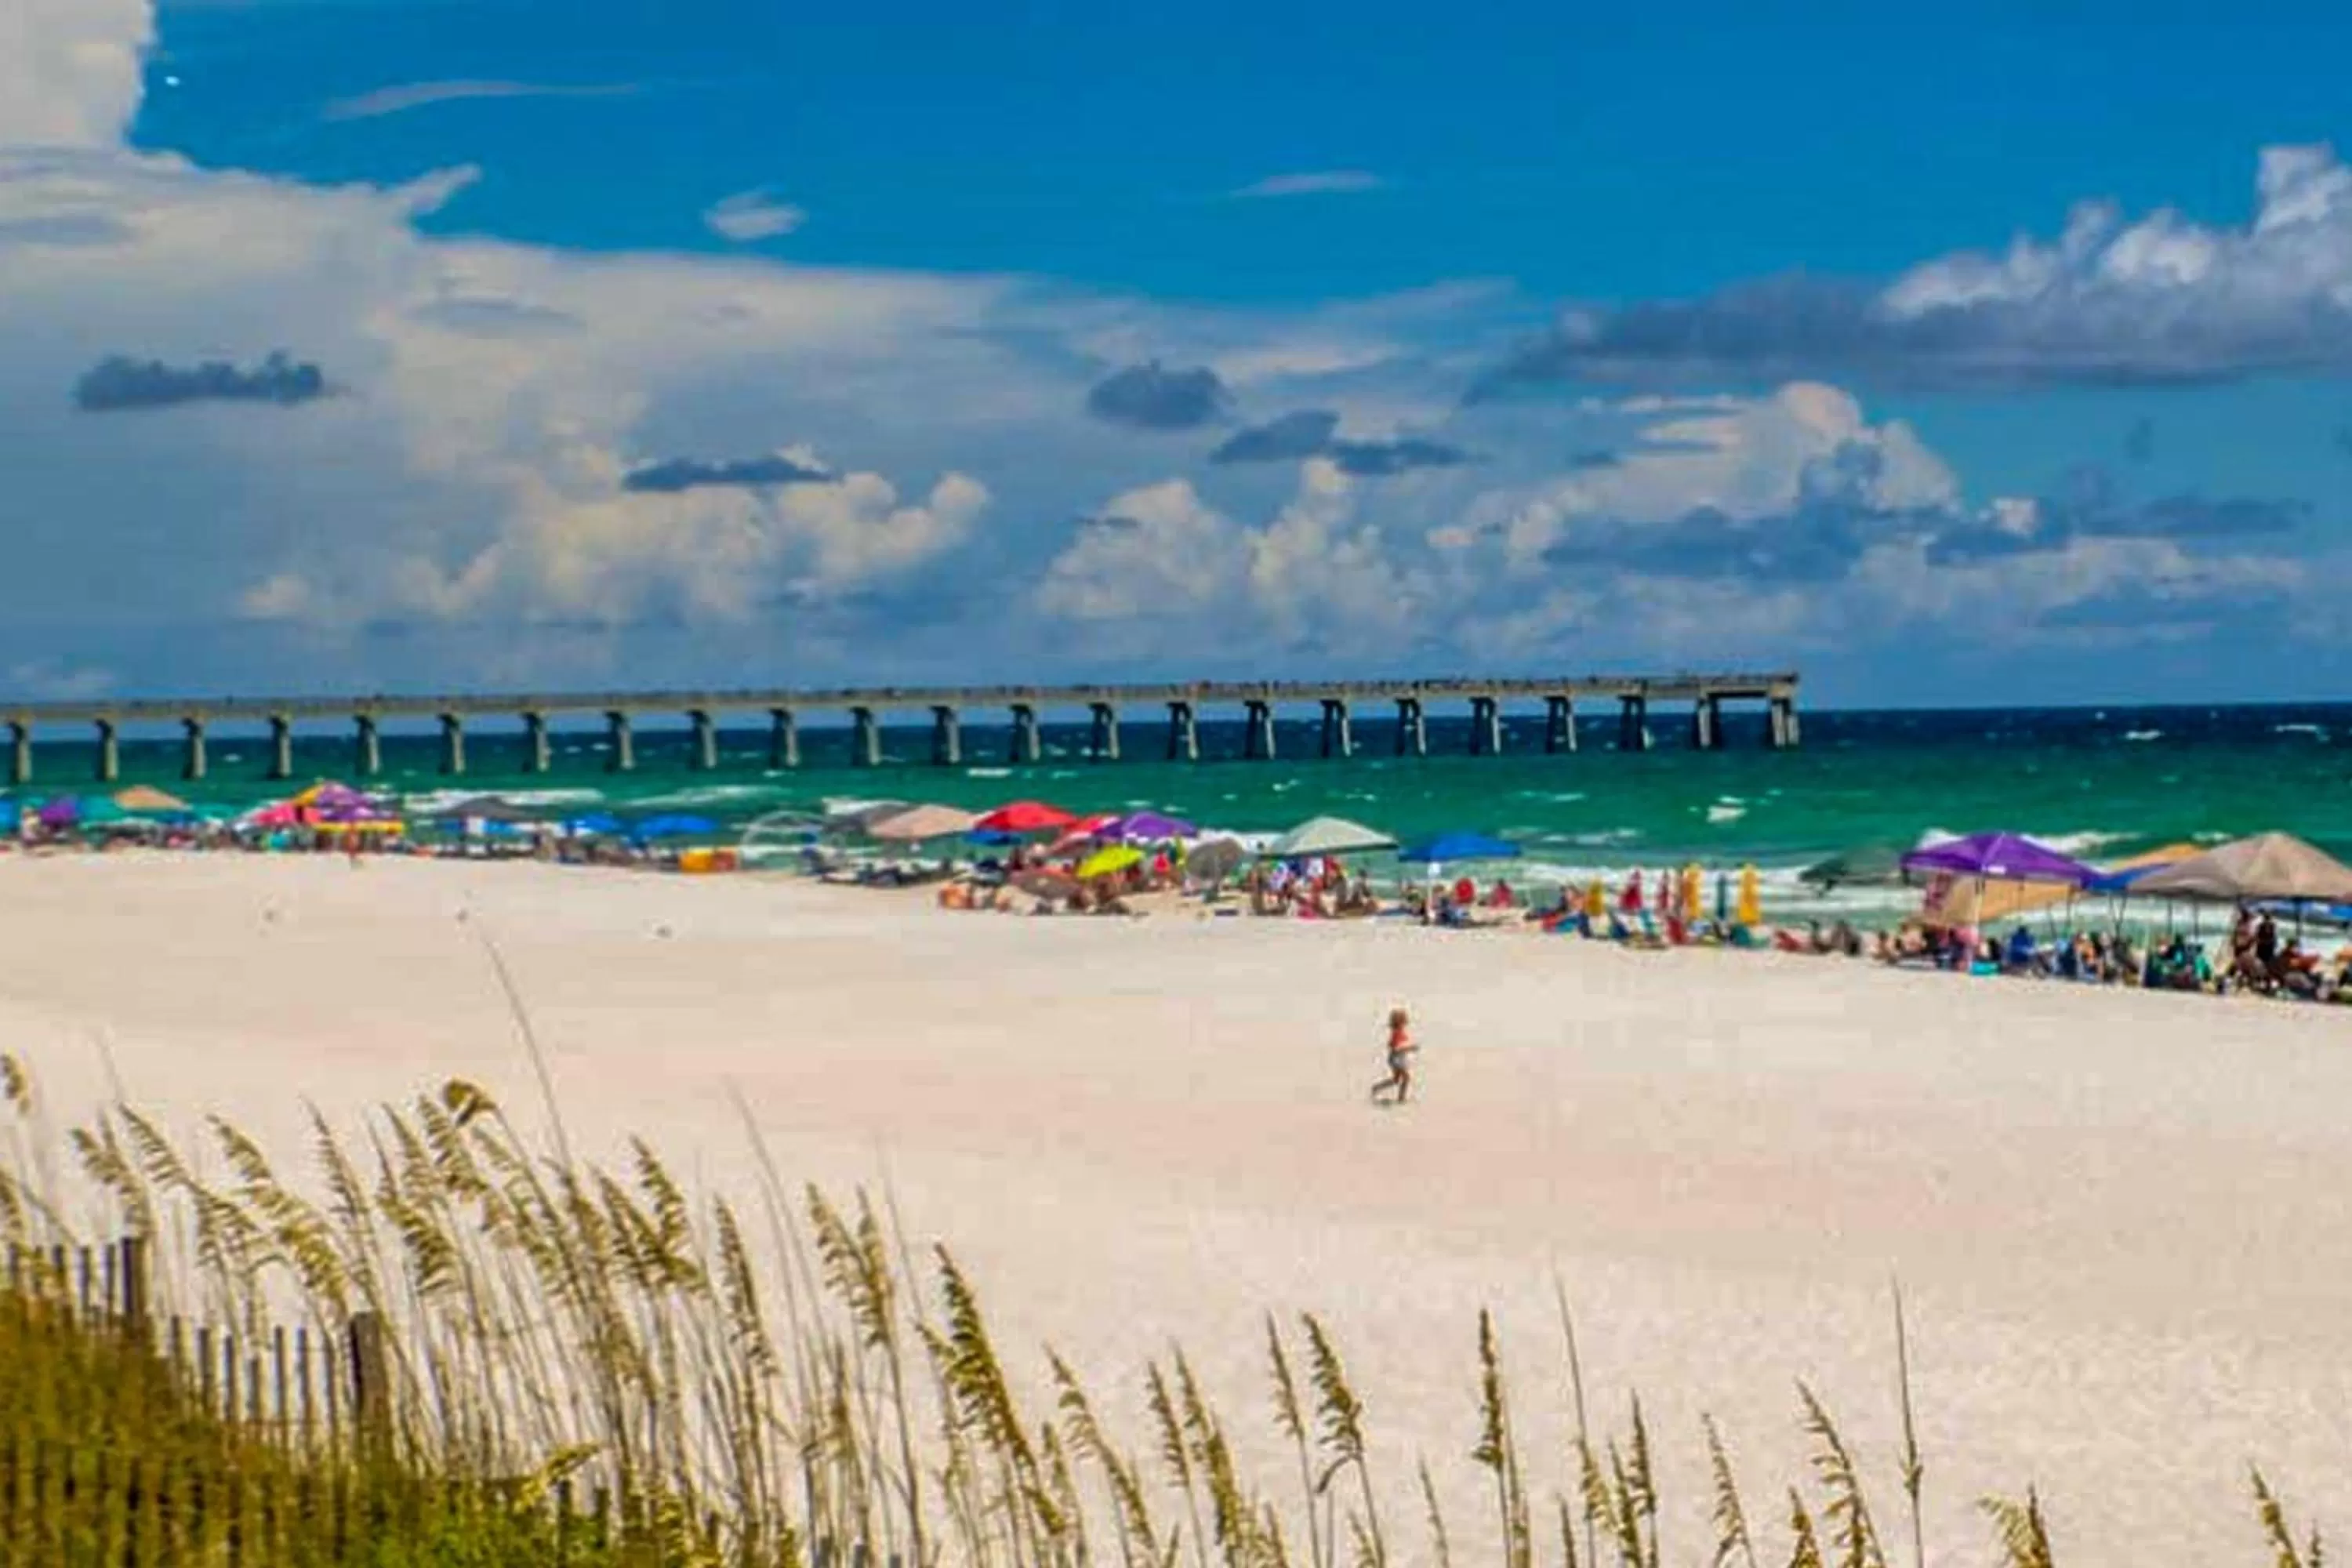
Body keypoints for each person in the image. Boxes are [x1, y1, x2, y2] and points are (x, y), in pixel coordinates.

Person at [1370, 1007, 1417, 1105]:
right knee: (1406, 1078)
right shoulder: (1397, 1033)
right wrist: (1410, 1048)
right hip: (1396, 1059)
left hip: (1397, 1058)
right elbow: (1396, 1048)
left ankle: (1377, 1087)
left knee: (1396, 1080)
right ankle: (1401, 1098)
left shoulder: (1399, 1032)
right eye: (1404, 1020)